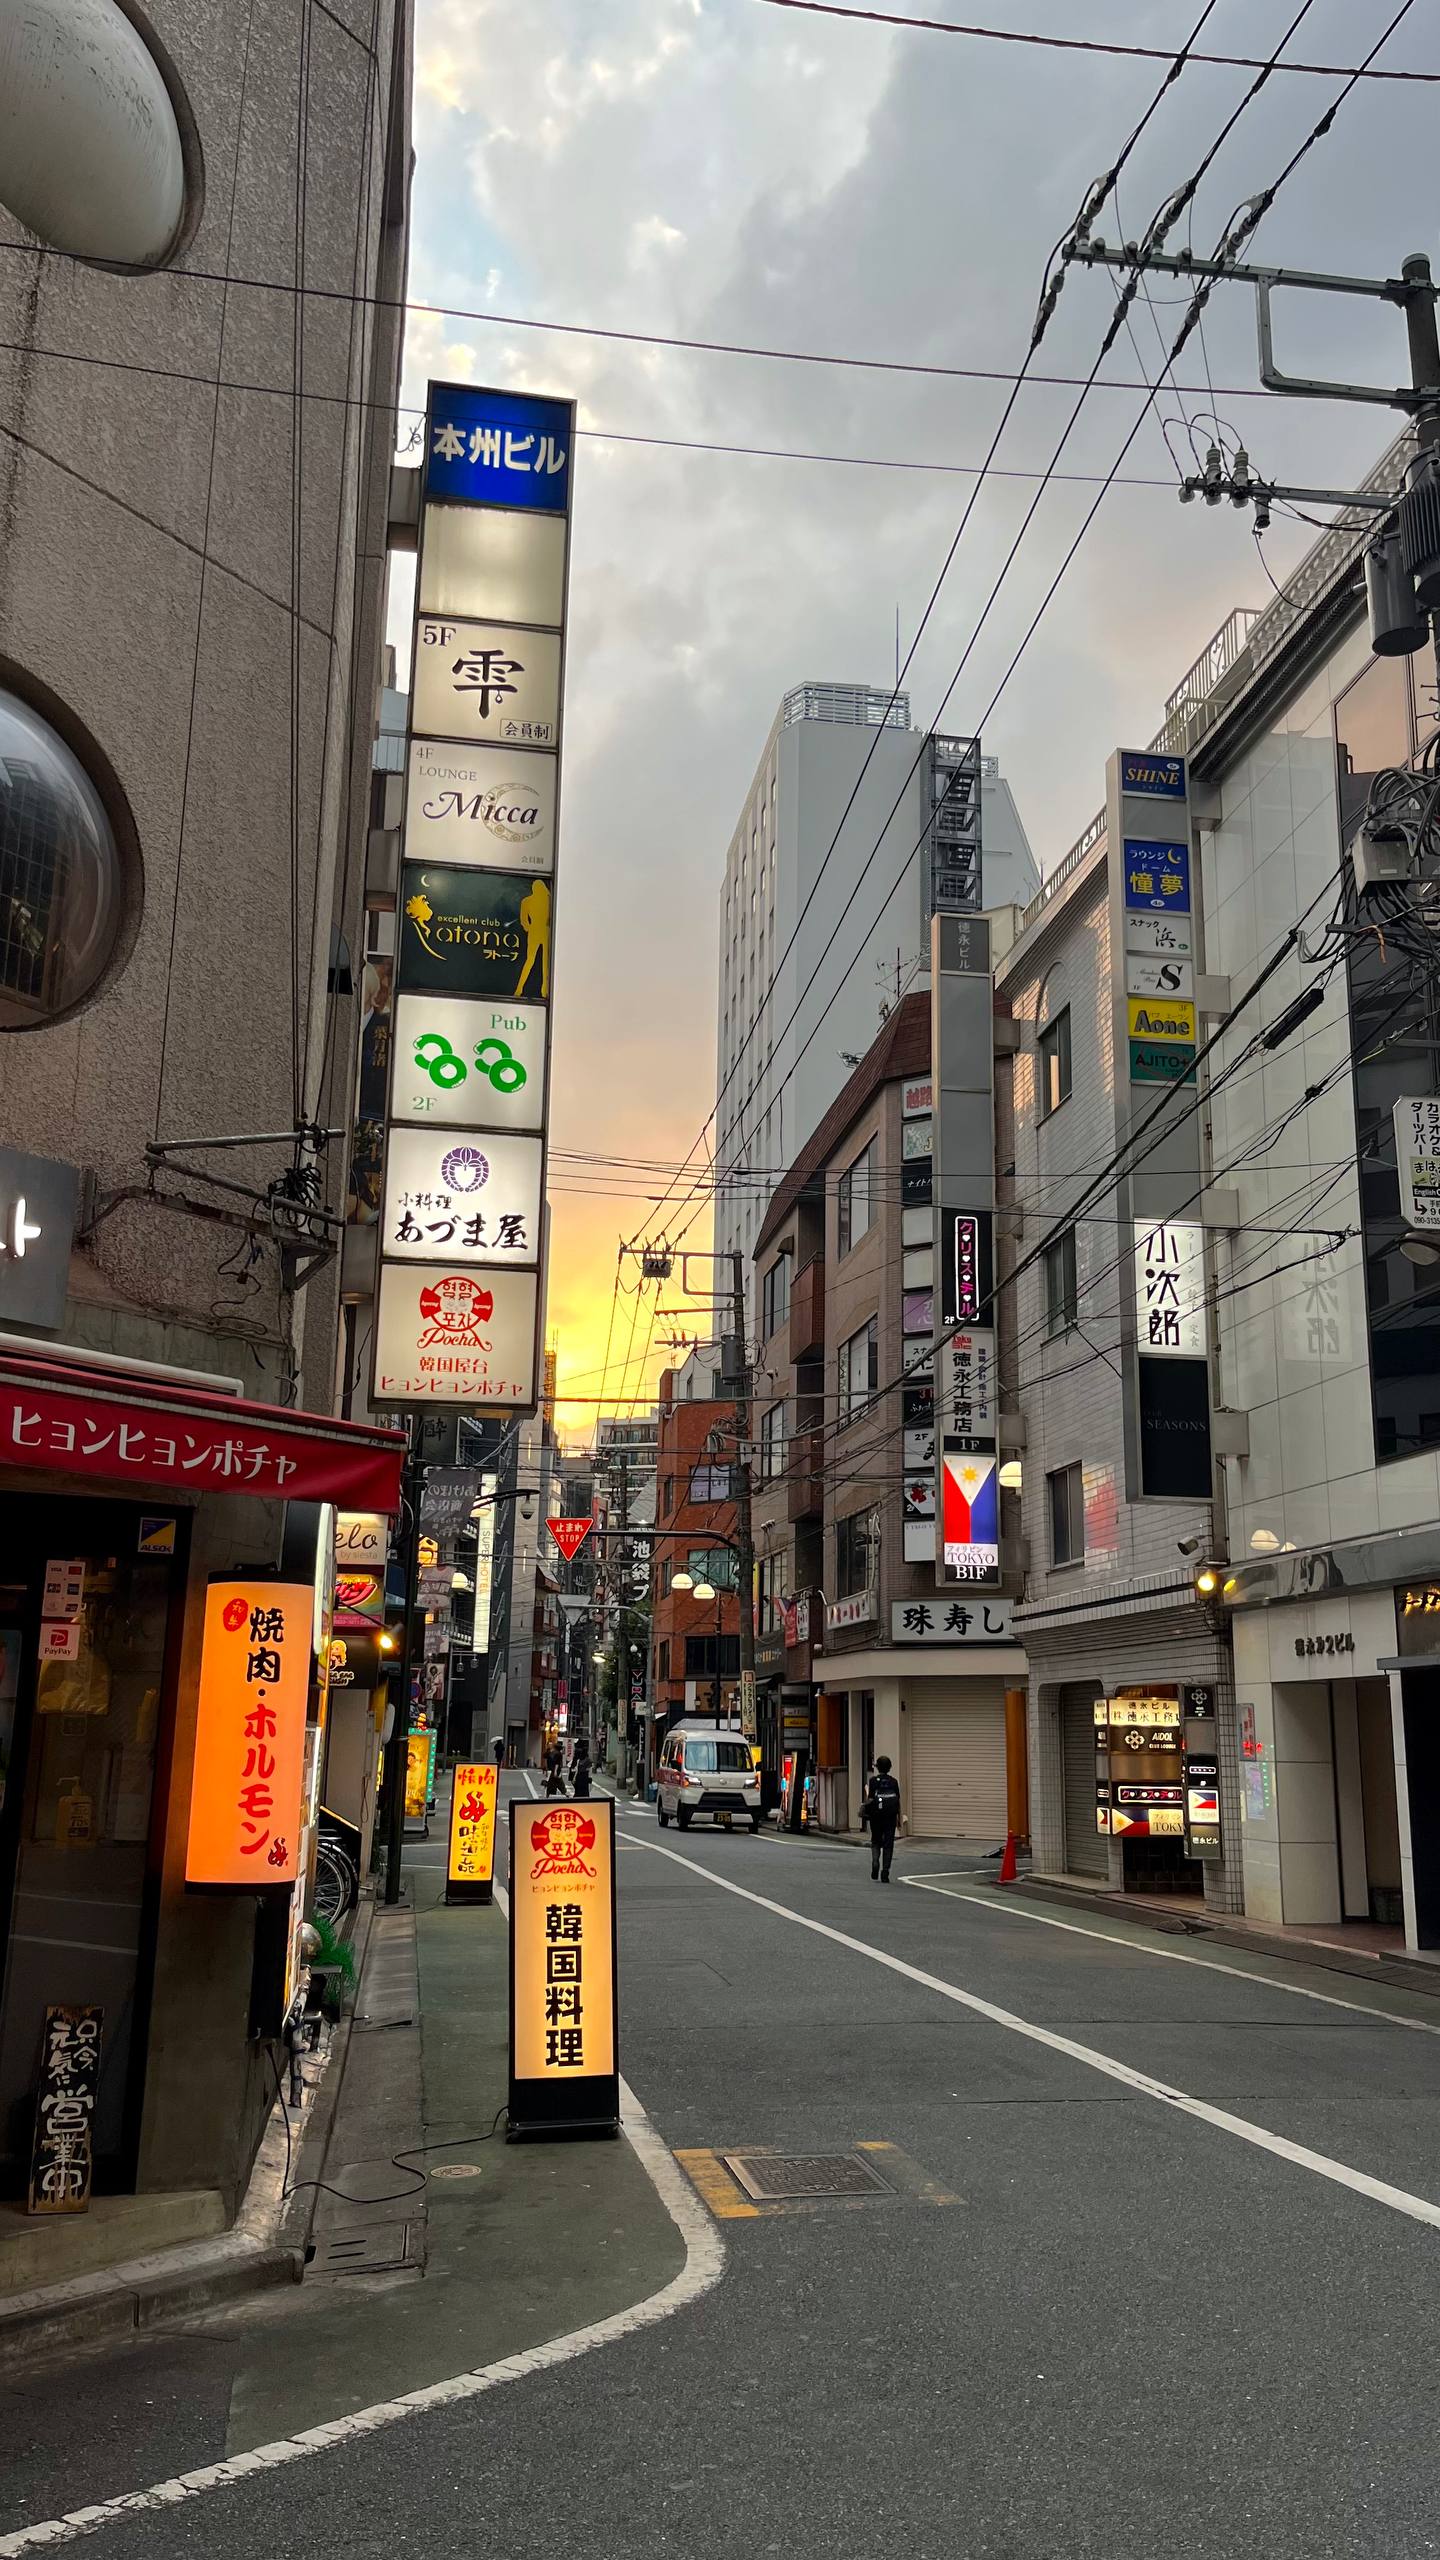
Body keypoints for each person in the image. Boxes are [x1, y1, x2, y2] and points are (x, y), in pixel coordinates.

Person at [864, 1754, 902, 1882]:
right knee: (888, 1844)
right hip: (890, 1816)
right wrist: (899, 1818)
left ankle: (875, 1861)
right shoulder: (894, 1782)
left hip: (876, 1815)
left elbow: (870, 1799)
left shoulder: (873, 1781)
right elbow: (898, 1801)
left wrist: (864, 1809)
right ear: (889, 1767)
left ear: (877, 1767)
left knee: (876, 1840)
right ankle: (885, 1871)